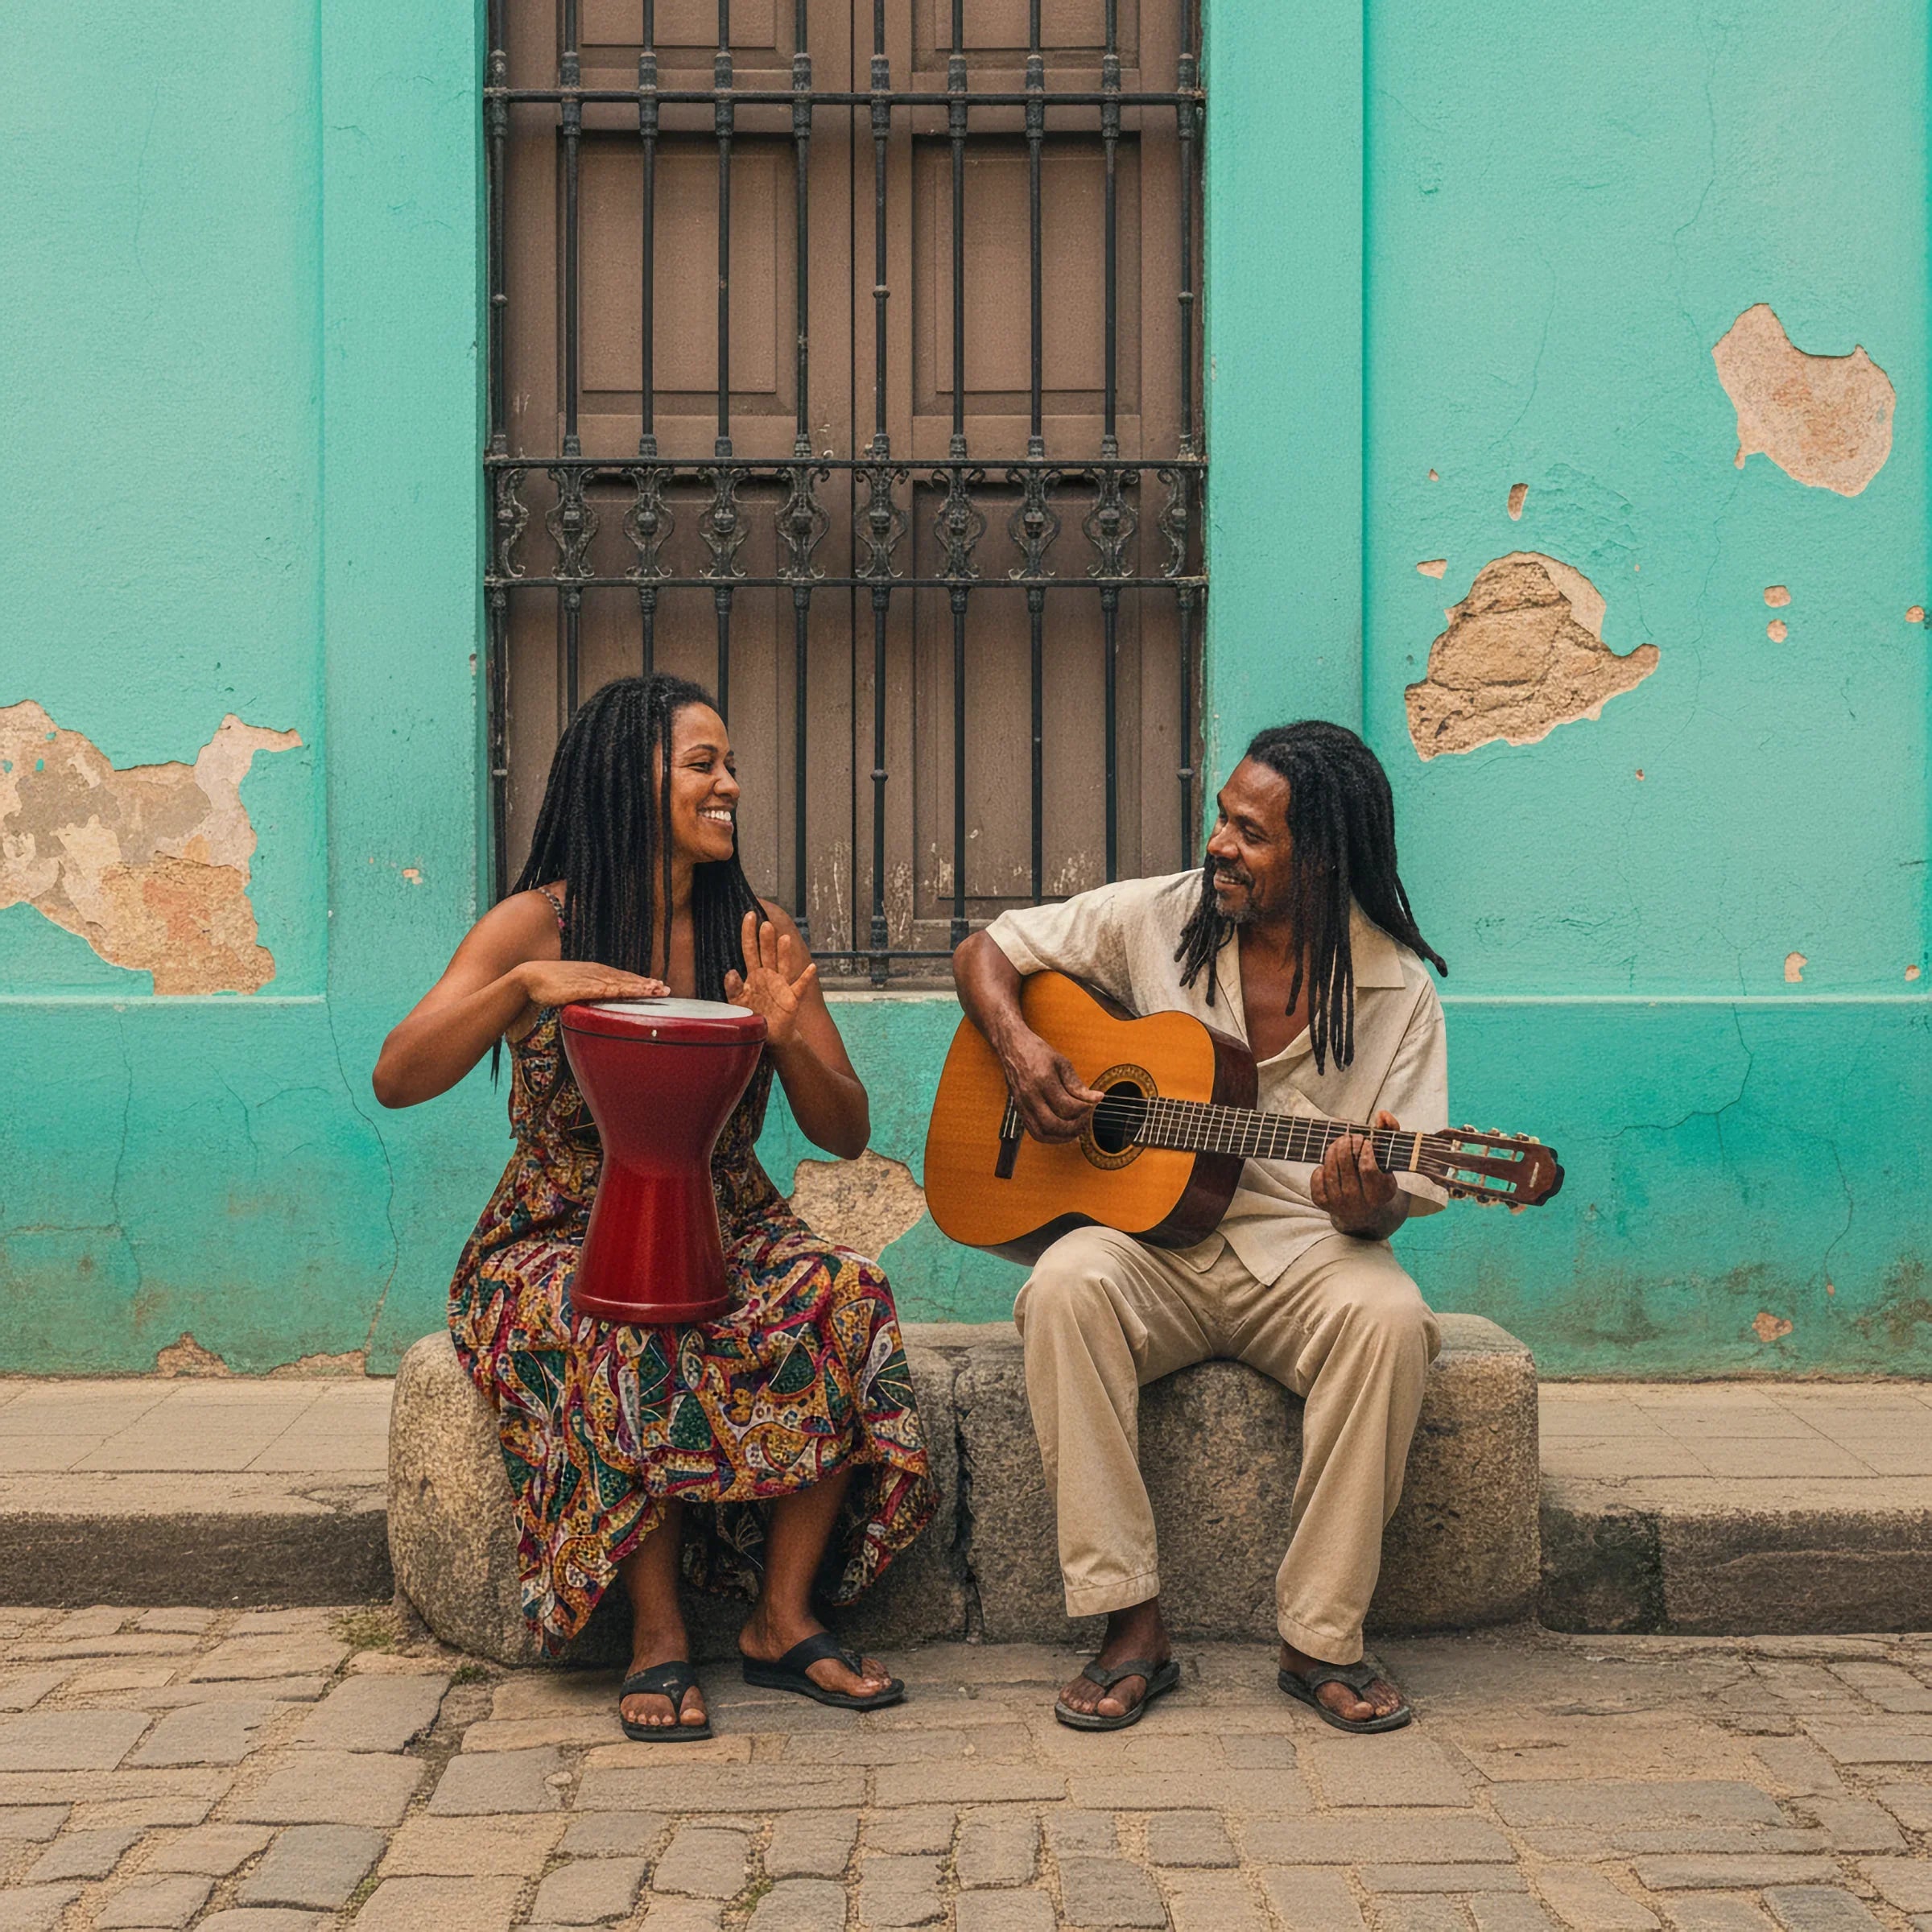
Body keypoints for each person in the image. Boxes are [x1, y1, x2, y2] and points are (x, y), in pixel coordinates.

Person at [374, 673, 935, 1740]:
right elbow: (398, 1076)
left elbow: (845, 1129)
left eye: (732, 766)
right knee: (628, 1318)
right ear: (629, 781)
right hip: (558, 1230)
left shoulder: (758, 932)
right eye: (703, 765)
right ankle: (659, 1632)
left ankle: (782, 1618)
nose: (730, 786)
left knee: (848, 1293)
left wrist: (787, 1035)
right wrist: (521, 989)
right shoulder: (534, 926)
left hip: (728, 1216)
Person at [952, 720, 1448, 1735]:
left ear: (1322, 858)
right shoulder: (1160, 914)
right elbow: (987, 951)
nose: (1220, 843)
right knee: (1064, 1286)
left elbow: (1400, 1196)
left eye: (1252, 833)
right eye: (1224, 818)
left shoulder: (1397, 991)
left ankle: (1320, 1637)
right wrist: (1020, 1049)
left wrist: (1372, 1203)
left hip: (1308, 1253)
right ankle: (1129, 1621)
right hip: (1155, 1248)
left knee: (1393, 1321)